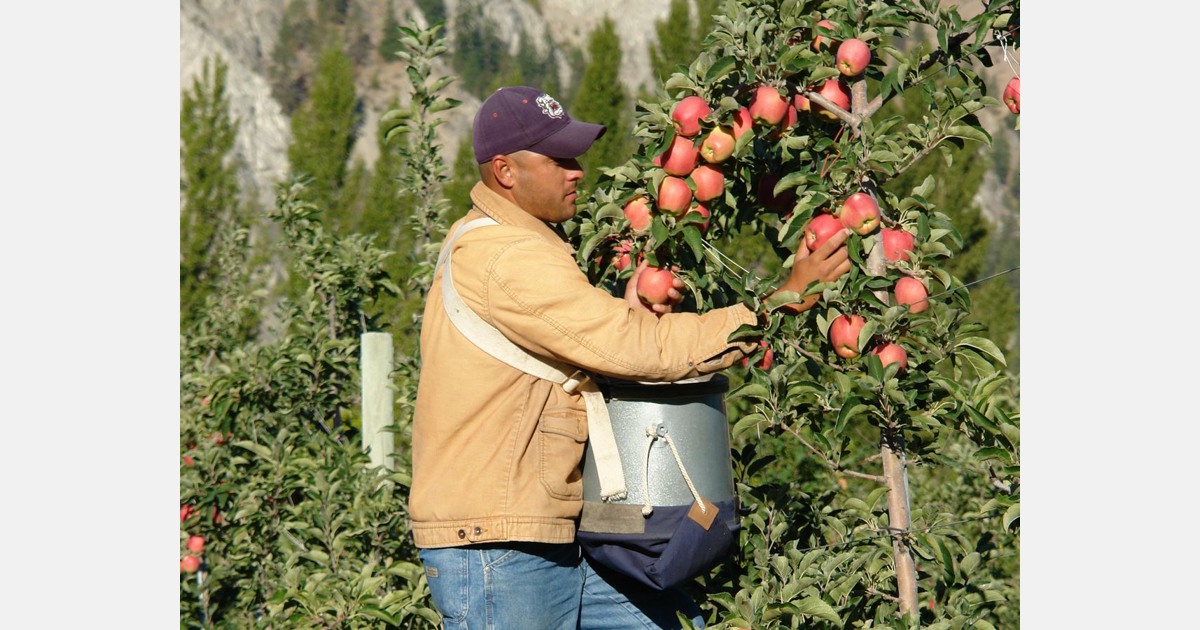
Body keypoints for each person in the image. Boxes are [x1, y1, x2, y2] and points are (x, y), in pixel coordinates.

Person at [409, 85, 851, 629]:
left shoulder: (520, 245)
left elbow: (578, 342)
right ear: (505, 171)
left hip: (555, 524)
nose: (577, 171)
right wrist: (779, 303)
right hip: (501, 540)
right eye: (559, 159)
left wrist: (627, 313)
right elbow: (633, 349)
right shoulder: (504, 256)